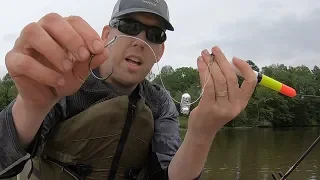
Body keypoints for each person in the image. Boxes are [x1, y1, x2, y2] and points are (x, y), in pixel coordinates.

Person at [0, 0, 257, 179]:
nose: (141, 41)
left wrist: (202, 132)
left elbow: (167, 174)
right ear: (105, 35)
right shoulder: (64, 80)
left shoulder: (159, 102)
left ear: (161, 51)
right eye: (130, 26)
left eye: (156, 35)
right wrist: (31, 107)